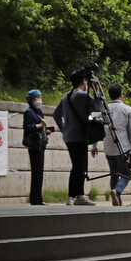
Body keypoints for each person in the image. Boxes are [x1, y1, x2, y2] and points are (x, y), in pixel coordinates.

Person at [52, 69, 100, 206]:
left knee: (79, 165)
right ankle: (72, 196)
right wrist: (96, 89)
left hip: (69, 136)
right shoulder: (82, 96)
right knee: (78, 166)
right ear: (84, 81)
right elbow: (99, 107)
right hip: (80, 136)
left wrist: (64, 129)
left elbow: (56, 115)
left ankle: (79, 194)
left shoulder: (66, 97)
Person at [105, 84, 131, 206]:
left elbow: (98, 128)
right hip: (123, 148)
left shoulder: (104, 110)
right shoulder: (127, 109)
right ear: (121, 94)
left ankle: (116, 200)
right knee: (126, 173)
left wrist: (94, 147)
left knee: (114, 173)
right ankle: (117, 191)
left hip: (108, 148)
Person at [21, 89, 54, 205]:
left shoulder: (38, 111)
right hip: (35, 145)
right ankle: (36, 199)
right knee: (36, 172)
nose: (39, 99)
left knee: (39, 172)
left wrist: (46, 130)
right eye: (37, 97)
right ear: (31, 100)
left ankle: (37, 198)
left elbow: (39, 126)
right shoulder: (29, 112)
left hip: (40, 144)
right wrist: (40, 125)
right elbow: (27, 127)